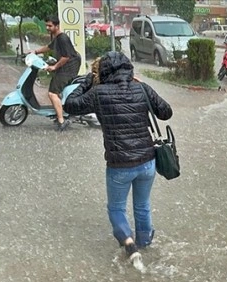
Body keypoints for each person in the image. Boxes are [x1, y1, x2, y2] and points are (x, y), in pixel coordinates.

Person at [64, 52, 172, 266]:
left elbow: (70, 104)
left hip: (119, 165)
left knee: (116, 209)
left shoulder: (99, 93)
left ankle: (129, 245)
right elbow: (166, 112)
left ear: (103, 72)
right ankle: (145, 246)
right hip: (147, 162)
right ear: (128, 67)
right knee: (142, 206)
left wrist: (88, 80)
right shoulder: (141, 87)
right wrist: (144, 88)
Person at [31, 16, 82, 131]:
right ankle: (61, 113)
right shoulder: (57, 37)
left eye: (50, 26)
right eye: (46, 25)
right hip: (65, 68)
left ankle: (61, 121)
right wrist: (35, 51)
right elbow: (48, 47)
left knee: (52, 93)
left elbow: (66, 57)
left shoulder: (62, 38)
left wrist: (54, 66)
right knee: (56, 91)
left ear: (57, 26)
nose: (47, 28)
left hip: (68, 70)